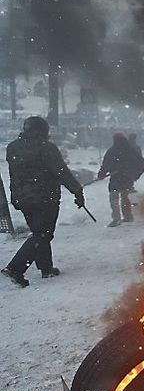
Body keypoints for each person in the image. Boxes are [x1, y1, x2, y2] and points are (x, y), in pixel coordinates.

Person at [2, 116, 85, 287]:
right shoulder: (46, 148)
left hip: (21, 198)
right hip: (44, 197)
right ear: (43, 130)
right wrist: (77, 190)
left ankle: (46, 268)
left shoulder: (13, 147)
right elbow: (61, 172)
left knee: (39, 232)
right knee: (43, 234)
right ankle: (15, 268)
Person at [97, 132, 144, 227]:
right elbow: (141, 164)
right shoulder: (131, 150)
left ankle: (116, 218)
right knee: (125, 197)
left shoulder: (112, 151)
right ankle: (127, 216)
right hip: (127, 178)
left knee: (114, 198)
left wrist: (102, 174)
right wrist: (135, 175)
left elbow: (106, 164)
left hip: (116, 179)